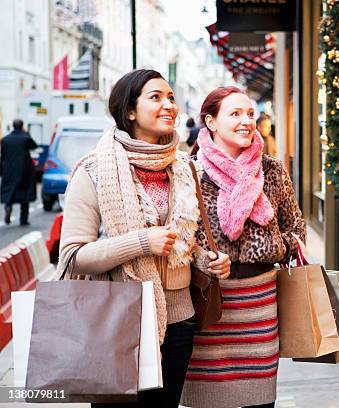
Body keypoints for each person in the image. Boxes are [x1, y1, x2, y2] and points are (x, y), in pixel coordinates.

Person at [57, 69, 231, 408]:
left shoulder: (183, 167)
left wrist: (205, 260)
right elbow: (73, 255)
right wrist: (140, 242)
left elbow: (185, 241)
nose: (168, 105)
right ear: (130, 111)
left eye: (171, 98)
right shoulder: (93, 170)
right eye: (156, 97)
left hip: (178, 320)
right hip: (119, 321)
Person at [181, 87, 305, 408]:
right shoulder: (190, 173)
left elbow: (296, 226)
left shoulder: (273, 170)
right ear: (210, 121)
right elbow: (179, 236)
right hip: (211, 302)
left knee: (259, 400)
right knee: (210, 399)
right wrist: (202, 259)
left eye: (249, 114)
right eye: (234, 114)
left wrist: (278, 244)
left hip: (260, 302)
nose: (246, 121)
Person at [0, 119, 37, 226]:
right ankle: (23, 220)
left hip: (9, 170)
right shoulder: (25, 138)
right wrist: (26, 133)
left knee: (9, 192)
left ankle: (8, 206)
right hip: (24, 171)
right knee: (25, 195)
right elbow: (34, 145)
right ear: (22, 126)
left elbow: (3, 155)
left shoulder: (5, 140)